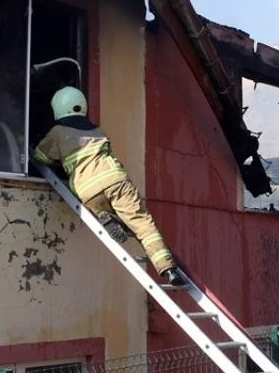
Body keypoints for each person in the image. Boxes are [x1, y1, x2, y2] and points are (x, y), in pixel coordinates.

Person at [34, 87, 185, 286]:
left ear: (58, 109)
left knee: (102, 205)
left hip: (87, 191)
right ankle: (168, 269)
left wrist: (62, 163)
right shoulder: (98, 131)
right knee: (142, 224)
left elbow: (40, 157)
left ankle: (106, 217)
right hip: (116, 181)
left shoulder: (57, 133)